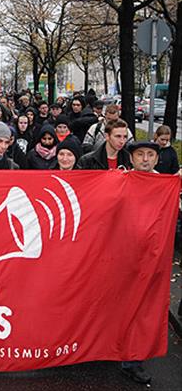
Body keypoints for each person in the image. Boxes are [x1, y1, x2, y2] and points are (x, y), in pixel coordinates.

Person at [118, 140, 162, 385]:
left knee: (141, 307)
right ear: (132, 158)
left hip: (151, 258)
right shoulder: (121, 181)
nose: (145, 159)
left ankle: (132, 360)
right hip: (120, 256)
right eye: (140, 154)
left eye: (150, 155)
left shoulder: (165, 185)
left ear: (157, 159)